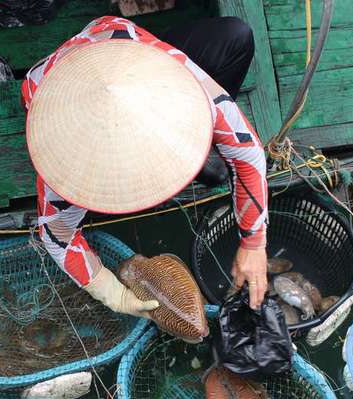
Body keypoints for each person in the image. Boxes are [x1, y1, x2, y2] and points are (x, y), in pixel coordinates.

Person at [23, 15, 268, 318]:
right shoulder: (62, 163)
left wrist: (253, 243)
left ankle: (201, 143)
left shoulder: (184, 80)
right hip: (53, 84)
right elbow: (57, 238)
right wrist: (113, 293)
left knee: (236, 36)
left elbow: (248, 153)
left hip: (125, 50)